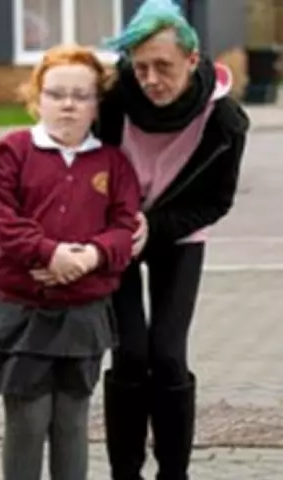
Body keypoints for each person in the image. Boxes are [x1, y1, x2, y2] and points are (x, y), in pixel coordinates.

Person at [0, 45, 141, 480]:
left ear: (97, 104)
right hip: (23, 312)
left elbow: (125, 225)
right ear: (36, 97)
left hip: (82, 314)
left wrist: (92, 256)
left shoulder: (112, 162)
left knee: (72, 423)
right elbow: (0, 219)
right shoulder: (11, 151)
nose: (68, 104)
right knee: (26, 422)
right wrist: (51, 254)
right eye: (56, 93)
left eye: (81, 95)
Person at [95, 0, 250, 478]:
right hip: (117, 235)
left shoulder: (224, 122)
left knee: (166, 352)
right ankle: (125, 471)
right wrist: (119, 227)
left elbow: (216, 202)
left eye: (163, 66)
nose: (151, 79)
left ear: (191, 58)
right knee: (130, 351)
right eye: (140, 67)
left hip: (179, 235)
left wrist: (155, 227)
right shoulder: (112, 102)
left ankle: (173, 472)